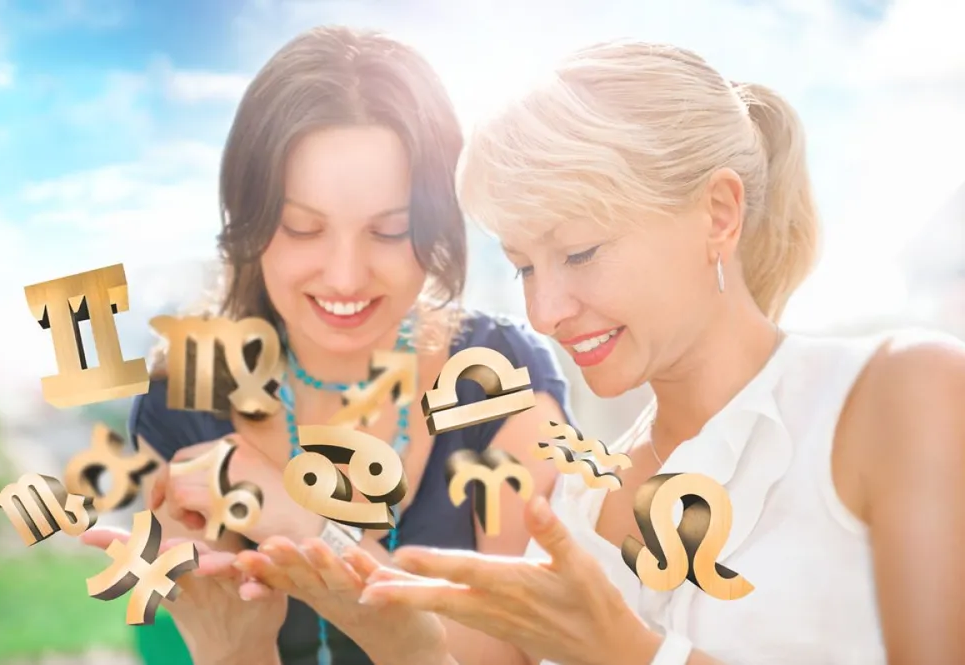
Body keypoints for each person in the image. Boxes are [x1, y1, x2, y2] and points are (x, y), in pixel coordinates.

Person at [317, 39, 964, 665]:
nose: (545, 313)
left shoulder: (902, 396)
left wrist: (629, 653)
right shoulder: (580, 495)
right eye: (523, 267)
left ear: (717, 213)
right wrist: (349, 578)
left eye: (579, 253)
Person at [82, 25, 573, 665]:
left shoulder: (499, 380)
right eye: (303, 228)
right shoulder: (181, 399)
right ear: (249, 222)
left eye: (390, 231)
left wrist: (314, 528)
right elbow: (186, 646)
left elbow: (514, 653)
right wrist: (237, 646)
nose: (344, 276)